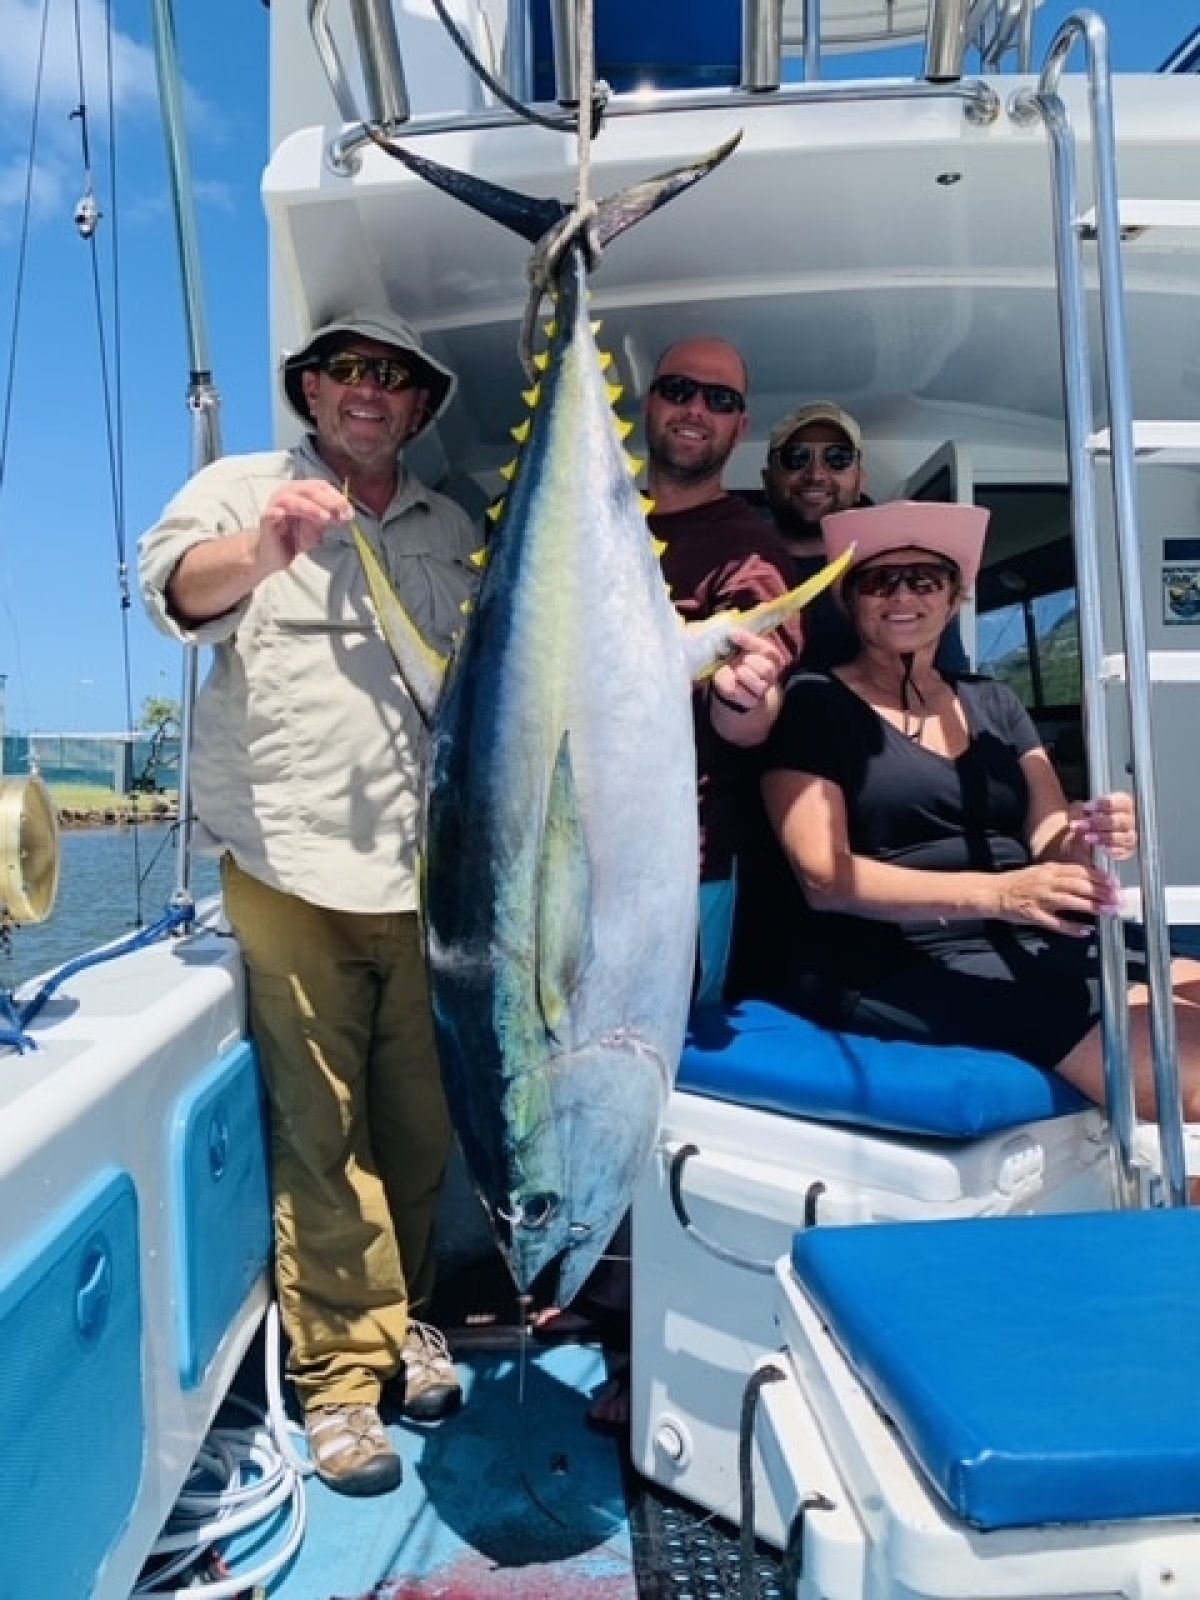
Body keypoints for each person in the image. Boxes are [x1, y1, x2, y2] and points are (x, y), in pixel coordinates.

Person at [139, 309, 476, 1498]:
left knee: (421, 1126)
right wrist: (266, 546)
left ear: (421, 407)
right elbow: (170, 591)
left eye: (394, 376)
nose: (369, 390)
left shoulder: (455, 526)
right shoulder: (241, 487)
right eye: (346, 370)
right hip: (286, 868)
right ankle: (340, 1380)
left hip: (426, 882)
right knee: (322, 1138)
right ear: (311, 390)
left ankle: (409, 1321)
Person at [534, 336, 803, 1428]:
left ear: (741, 426)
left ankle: (640, 1325)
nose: (696, 410)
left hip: (679, 867)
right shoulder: (571, 528)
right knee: (573, 1074)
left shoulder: (747, 547)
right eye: (679, 389)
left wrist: (748, 688)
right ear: (647, 404)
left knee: (651, 1085)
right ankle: (592, 1282)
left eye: (721, 399)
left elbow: (757, 692)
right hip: (555, 862)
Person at [758, 499, 1200, 1118]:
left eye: (925, 580)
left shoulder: (995, 701)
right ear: (850, 601)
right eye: (880, 581)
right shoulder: (814, 702)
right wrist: (1002, 895)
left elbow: (1046, 833)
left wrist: (1087, 832)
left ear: (953, 597)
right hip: (893, 958)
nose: (902, 595)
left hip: (1030, 936)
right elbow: (823, 878)